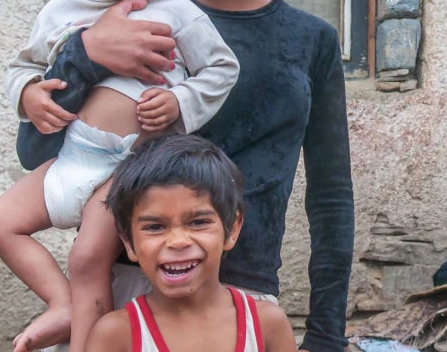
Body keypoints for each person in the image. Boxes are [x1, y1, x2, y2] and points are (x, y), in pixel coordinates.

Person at [20, 0, 354, 350]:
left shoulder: (311, 40)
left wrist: (327, 334)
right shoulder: (129, 14)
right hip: (128, 288)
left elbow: (330, 195)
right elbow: (37, 151)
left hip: (246, 292)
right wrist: (83, 56)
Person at [0, 0, 239, 352]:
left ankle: (82, 346)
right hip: (70, 158)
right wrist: (29, 94)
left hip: (124, 168)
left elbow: (222, 69)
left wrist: (181, 102)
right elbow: (21, 68)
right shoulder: (57, 13)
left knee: (86, 258)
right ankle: (59, 304)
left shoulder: (175, 11)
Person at [87, 134, 296, 351]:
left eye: (198, 222)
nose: (178, 241)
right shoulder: (117, 335)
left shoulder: (267, 325)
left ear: (233, 228)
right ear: (128, 242)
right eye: (155, 227)